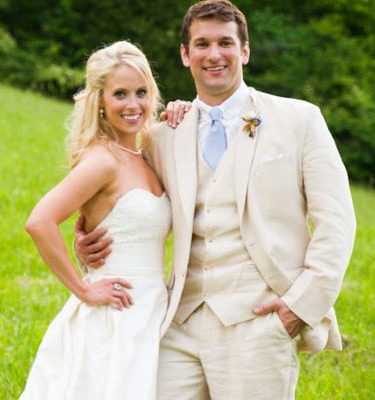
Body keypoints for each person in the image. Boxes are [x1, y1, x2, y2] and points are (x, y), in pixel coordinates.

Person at [75, 1, 356, 399]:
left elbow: (338, 223)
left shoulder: (300, 120)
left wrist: (300, 306)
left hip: (259, 321)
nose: (213, 54)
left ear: (245, 51)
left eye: (225, 43)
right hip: (179, 322)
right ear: (185, 54)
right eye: (201, 44)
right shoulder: (163, 136)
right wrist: (86, 243)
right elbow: (128, 201)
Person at [20, 40, 170, 399]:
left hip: (151, 307)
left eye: (141, 92)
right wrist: (84, 289)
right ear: (100, 100)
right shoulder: (102, 160)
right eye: (120, 94)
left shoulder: (145, 153)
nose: (133, 105)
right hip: (115, 312)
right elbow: (40, 222)